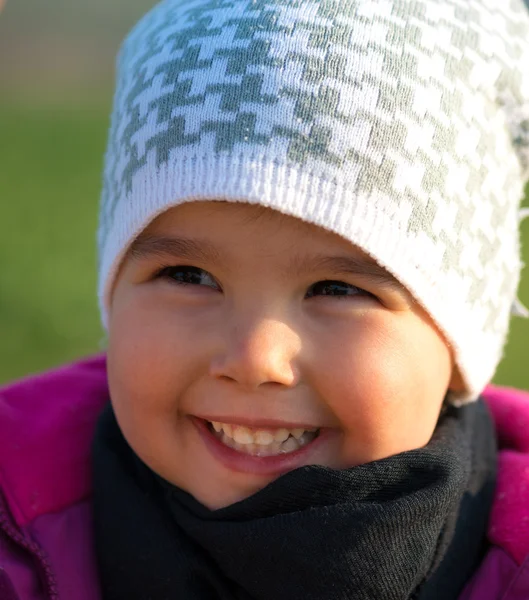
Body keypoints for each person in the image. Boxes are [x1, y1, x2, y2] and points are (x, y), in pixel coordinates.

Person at [1, 0, 529, 598]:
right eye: (189, 276)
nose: (255, 358)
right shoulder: (15, 526)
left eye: (338, 289)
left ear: (462, 341)